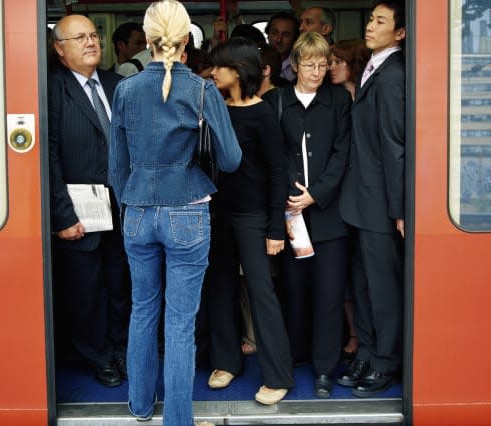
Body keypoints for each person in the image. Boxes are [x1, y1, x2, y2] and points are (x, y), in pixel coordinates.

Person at [108, 1, 241, 424]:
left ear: (147, 41)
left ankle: (141, 405)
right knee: (181, 323)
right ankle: (178, 419)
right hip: (187, 210)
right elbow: (233, 159)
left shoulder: (125, 89)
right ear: (187, 40)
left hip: (138, 210)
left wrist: (132, 202)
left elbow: (116, 167)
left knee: (142, 309)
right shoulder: (201, 91)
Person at [263, 31, 352, 399]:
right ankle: (297, 353)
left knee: (329, 293)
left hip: (328, 214)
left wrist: (316, 194)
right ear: (295, 65)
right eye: (310, 64)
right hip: (290, 213)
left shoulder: (338, 101)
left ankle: (325, 369)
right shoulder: (277, 100)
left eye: (323, 64)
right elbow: (272, 153)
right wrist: (291, 194)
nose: (317, 71)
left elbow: (342, 152)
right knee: (295, 290)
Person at [207, 37, 294, 405]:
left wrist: (276, 228)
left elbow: (278, 173)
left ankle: (278, 374)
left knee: (262, 292)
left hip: (254, 216)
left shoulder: (263, 113)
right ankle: (226, 362)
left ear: (239, 72)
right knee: (219, 288)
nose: (213, 72)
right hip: (217, 213)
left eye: (220, 67)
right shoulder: (216, 109)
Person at [48, 14, 131, 388]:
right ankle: (98, 355)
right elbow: (46, 157)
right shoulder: (51, 89)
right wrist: (61, 214)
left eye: (94, 35)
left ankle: (123, 349)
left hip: (125, 205)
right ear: (59, 49)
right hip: (79, 209)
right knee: (87, 288)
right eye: (79, 38)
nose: (90, 42)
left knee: (123, 283)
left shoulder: (119, 85)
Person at [337, 0, 406, 398]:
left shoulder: (393, 75)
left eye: (380, 21)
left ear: (399, 33)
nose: (370, 25)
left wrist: (399, 209)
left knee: (382, 286)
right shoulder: (372, 69)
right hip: (361, 201)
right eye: (369, 18)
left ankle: (386, 360)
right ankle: (366, 349)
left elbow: (394, 146)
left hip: (380, 204)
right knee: (361, 283)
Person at [328, 38, 370, 360]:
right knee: (344, 276)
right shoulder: (336, 100)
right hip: (339, 198)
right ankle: (353, 334)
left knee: (365, 274)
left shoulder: (367, 98)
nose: (330, 67)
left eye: (337, 61)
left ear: (353, 63)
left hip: (365, 198)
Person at [264, 11, 300, 83]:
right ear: (268, 35)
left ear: (295, 39)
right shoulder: (258, 60)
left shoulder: (300, 65)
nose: (278, 39)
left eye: (286, 35)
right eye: (274, 33)